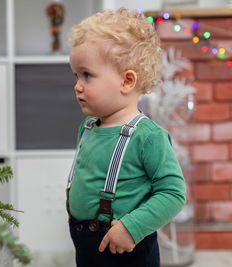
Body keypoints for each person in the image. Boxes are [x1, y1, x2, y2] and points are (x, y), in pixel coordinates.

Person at [67, 7, 186, 267]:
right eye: (76, 75)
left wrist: (132, 228)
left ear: (127, 81)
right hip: (84, 242)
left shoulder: (147, 136)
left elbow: (173, 193)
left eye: (87, 75)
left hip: (126, 250)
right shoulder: (87, 127)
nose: (77, 85)